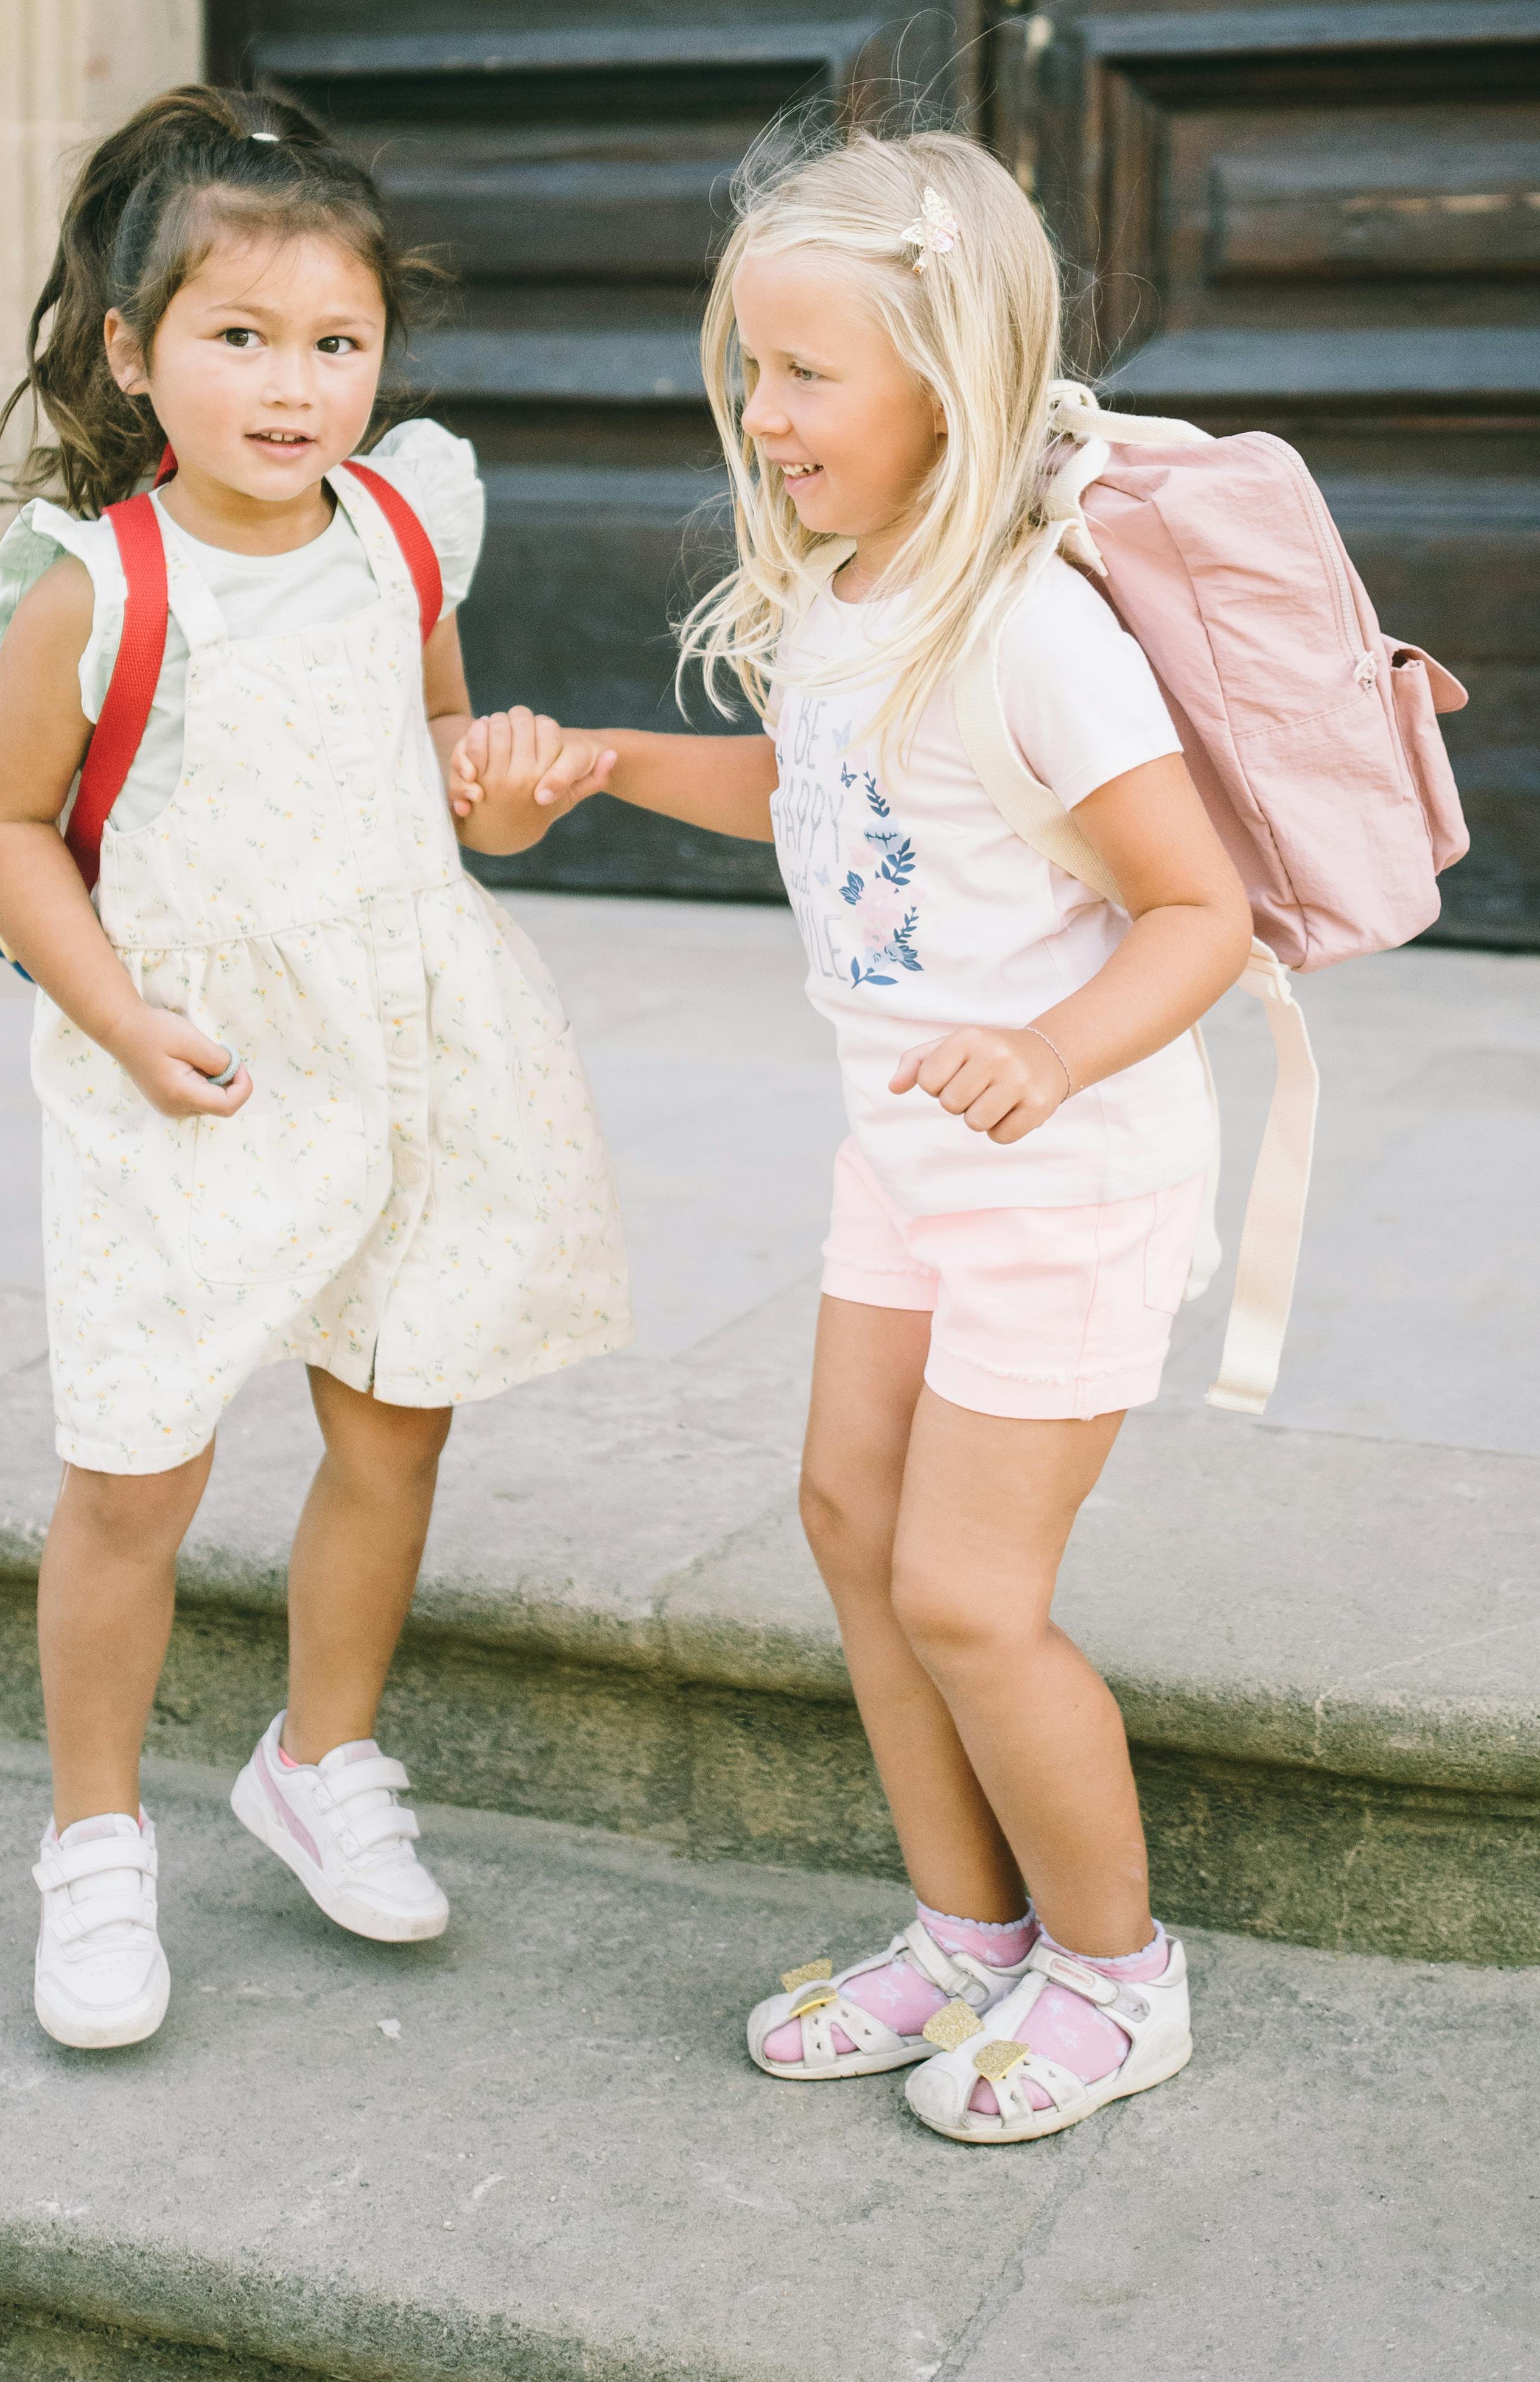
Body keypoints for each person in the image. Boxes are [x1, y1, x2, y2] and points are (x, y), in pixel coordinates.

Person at [449, 126, 1251, 2142]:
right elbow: (821, 789)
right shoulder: (844, 592)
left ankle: (1118, 1973)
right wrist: (619, 763)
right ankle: (964, 1931)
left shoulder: (1036, 629)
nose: (762, 411)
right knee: (846, 1526)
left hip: (1061, 1179)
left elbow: (1201, 910)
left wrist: (1056, 1054)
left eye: (809, 372)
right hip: (900, 1156)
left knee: (973, 1590)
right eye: (750, 365)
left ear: (947, 386)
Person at [0, 85, 629, 2053]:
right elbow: (3, 827)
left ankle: (318, 1758)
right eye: (240, 338)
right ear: (133, 350)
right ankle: (94, 1842)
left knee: (394, 1425)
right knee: (136, 1471)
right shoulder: (100, 580)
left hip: (407, 1050)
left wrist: (493, 797)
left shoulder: (404, 525)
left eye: (336, 343)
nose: (293, 385)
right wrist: (120, 1015)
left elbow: (433, 756)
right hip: (191, 1067)